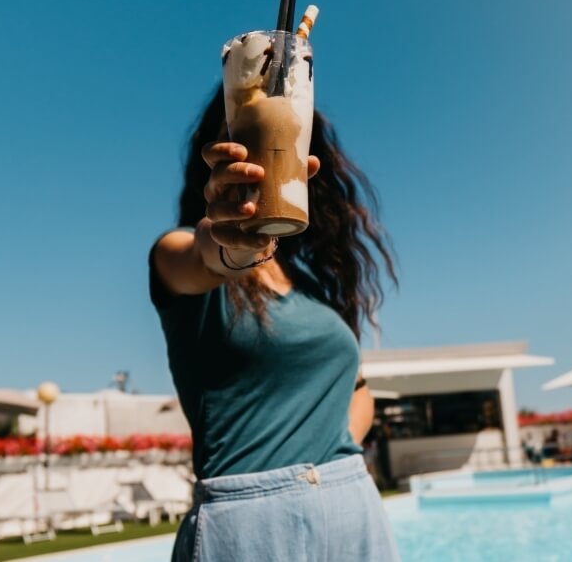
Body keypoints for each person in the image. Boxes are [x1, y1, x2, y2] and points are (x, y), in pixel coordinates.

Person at [149, 85, 400, 561]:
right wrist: (236, 243)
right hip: (250, 525)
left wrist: (331, 457)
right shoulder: (176, 249)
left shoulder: (310, 286)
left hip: (352, 503)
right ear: (217, 149)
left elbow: (358, 390)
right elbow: (207, 257)